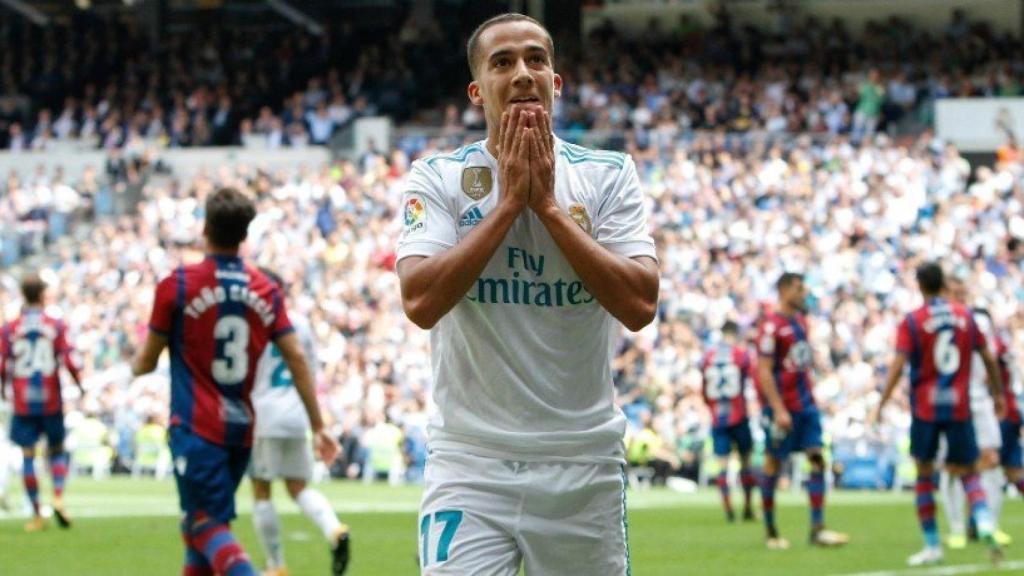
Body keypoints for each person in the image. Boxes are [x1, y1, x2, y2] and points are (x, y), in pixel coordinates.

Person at [396, 13, 658, 575]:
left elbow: (640, 305)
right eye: (503, 62)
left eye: (536, 60)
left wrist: (547, 209)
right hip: (470, 460)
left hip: (580, 461)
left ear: (555, 82)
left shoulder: (608, 174)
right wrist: (509, 204)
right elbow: (419, 302)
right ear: (476, 91)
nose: (522, 73)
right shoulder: (437, 177)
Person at [132, 188, 340, 576]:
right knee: (199, 525)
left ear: (205, 228)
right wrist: (319, 426)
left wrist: (136, 363)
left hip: (197, 427)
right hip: (242, 430)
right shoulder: (265, 288)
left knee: (203, 523)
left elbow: (145, 362)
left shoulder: (177, 284)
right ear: (245, 235)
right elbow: (296, 356)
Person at [872, 262, 1004, 567]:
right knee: (968, 469)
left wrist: (881, 403)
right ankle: (983, 520)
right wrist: (998, 393)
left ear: (919, 285)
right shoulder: (965, 316)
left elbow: (898, 364)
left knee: (924, 473)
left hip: (926, 407)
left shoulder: (913, 321)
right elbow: (988, 357)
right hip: (959, 405)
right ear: (942, 283)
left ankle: (932, 545)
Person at [249, 268, 350, 576]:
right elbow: (307, 371)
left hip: (264, 414)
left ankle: (276, 564)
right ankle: (334, 529)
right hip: (297, 415)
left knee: (261, 490)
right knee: (298, 487)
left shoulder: (255, 324)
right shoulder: (302, 325)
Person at [756, 272, 848, 549]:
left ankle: (817, 528)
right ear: (784, 291)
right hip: (782, 408)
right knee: (773, 464)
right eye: (799, 288)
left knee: (818, 459)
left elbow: (800, 364)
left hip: (806, 406)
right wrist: (777, 408)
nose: (803, 293)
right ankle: (771, 532)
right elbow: (763, 371)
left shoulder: (801, 322)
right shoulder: (771, 327)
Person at [0, 272, 83, 532]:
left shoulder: (10, 329)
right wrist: (79, 384)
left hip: (23, 399)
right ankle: (58, 497)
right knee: (56, 449)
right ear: (43, 295)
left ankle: (37, 513)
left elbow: (2, 364)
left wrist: (4, 388)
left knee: (28, 454)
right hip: (50, 398)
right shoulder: (56, 325)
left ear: (23, 295)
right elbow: (69, 360)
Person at [938, 274, 1011, 548]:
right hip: (950, 401)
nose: (960, 297)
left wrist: (996, 393)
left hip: (979, 399)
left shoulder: (978, 322)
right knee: (952, 465)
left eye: (963, 292)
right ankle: (957, 527)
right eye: (954, 292)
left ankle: (988, 523)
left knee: (991, 458)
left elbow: (990, 359)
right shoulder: (938, 323)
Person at [701, 320, 758, 522]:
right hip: (739, 416)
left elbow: (704, 389)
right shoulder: (741, 355)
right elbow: (751, 379)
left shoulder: (708, 356)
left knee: (722, 465)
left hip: (718, 418)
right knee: (746, 462)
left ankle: (728, 510)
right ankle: (748, 508)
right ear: (736, 334)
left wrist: (712, 407)